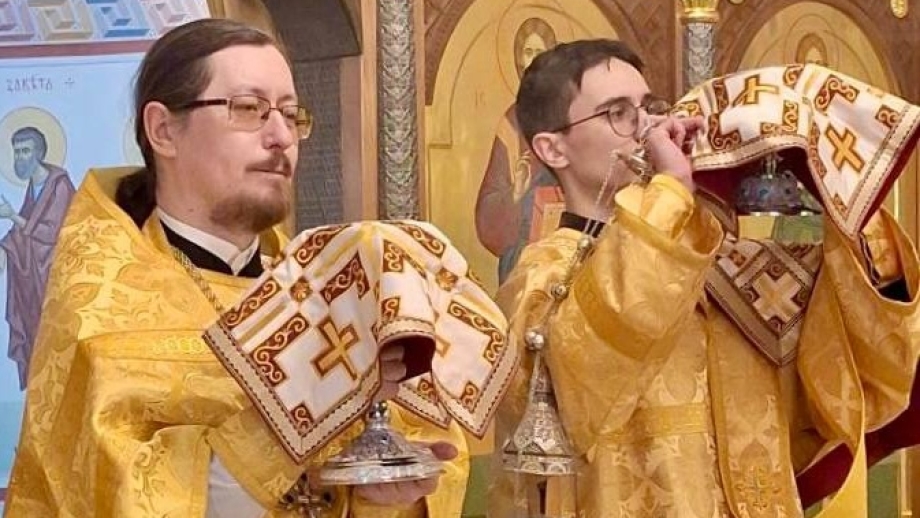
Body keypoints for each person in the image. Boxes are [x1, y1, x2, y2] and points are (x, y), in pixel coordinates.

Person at [4, 18, 468, 518]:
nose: (281, 136)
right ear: (163, 130)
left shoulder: (321, 296)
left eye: (291, 114)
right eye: (249, 109)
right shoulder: (104, 306)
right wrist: (302, 407)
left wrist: (380, 499)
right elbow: (125, 497)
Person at [488, 39, 920, 517]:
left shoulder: (718, 259)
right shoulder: (539, 277)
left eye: (650, 108)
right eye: (618, 113)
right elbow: (597, 360)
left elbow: (853, 364)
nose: (649, 129)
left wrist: (832, 188)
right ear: (552, 148)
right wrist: (672, 190)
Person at [475, 17, 563, 285]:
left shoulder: (572, 116)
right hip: (524, 255)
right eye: (528, 52)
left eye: (540, 52)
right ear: (518, 60)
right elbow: (488, 207)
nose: (533, 60)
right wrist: (516, 193)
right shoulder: (512, 122)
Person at [0, 126, 75, 389]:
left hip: (56, 275)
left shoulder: (59, 184)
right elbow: (24, 231)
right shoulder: (34, 185)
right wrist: (5, 248)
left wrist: (11, 215)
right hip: (35, 276)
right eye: (16, 152)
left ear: (39, 152)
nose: (20, 157)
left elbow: (51, 232)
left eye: (25, 151)